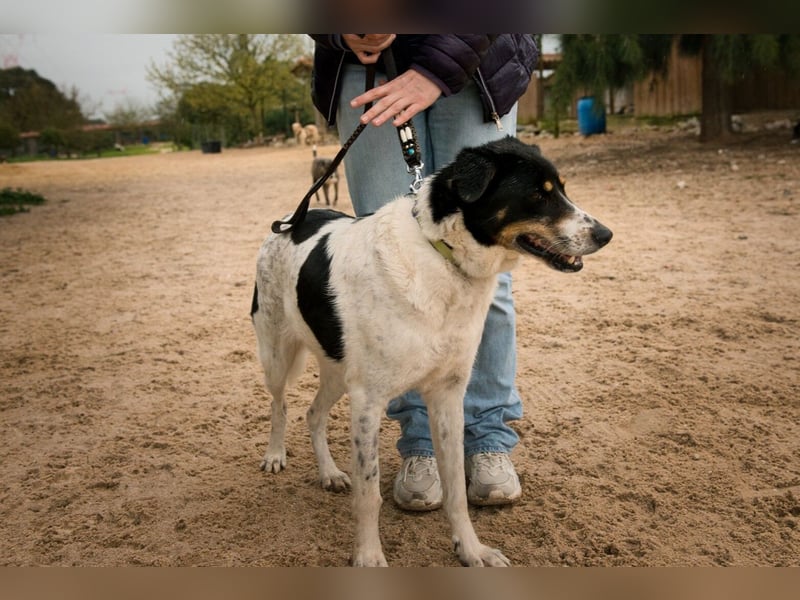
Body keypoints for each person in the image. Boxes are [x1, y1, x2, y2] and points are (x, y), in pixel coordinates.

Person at [309, 34, 538, 511]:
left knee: (483, 266)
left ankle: (486, 437)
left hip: (479, 59)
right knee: (387, 272)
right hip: (364, 65)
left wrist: (437, 68)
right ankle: (419, 444)